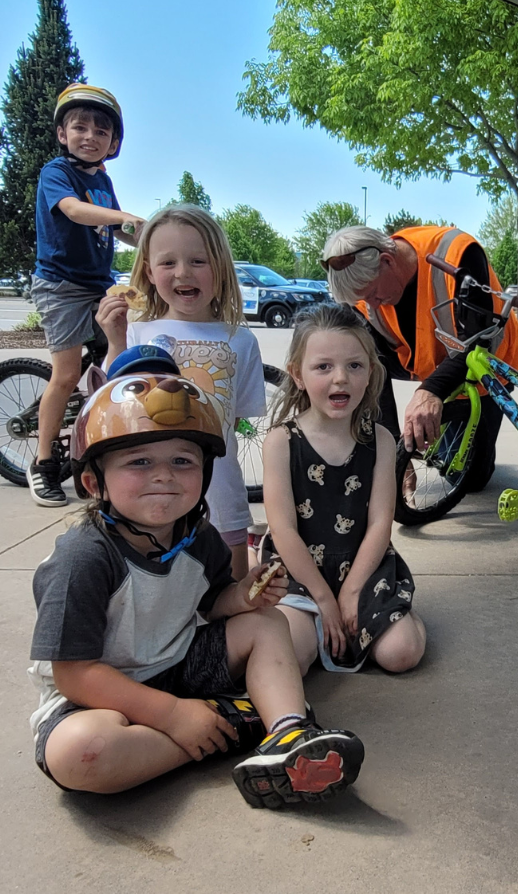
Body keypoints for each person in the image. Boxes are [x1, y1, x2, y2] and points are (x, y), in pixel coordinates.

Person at [28, 364, 365, 806]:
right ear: (93, 483)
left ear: (203, 473)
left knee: (266, 622)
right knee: (81, 754)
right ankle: (233, 725)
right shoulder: (83, 558)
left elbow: (210, 604)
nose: (164, 475)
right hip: (97, 697)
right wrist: (171, 715)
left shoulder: (197, 536)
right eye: (139, 461)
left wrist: (242, 596)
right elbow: (74, 673)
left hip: (180, 665)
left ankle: (287, 731)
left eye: (182, 461)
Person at [97, 205, 265, 580]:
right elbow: (109, 412)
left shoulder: (240, 340)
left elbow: (232, 421)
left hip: (221, 498)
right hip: (148, 502)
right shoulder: (136, 332)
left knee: (230, 594)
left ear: (220, 268)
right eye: (168, 262)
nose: (183, 273)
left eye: (198, 261)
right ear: (148, 273)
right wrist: (114, 340)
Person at [259, 304, 426, 675]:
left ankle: (399, 610)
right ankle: (314, 626)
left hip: (364, 567)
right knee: (291, 656)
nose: (340, 379)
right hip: (300, 573)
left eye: (354, 365)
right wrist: (323, 599)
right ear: (297, 375)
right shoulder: (281, 442)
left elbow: (381, 523)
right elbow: (283, 530)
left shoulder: (381, 440)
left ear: (370, 373)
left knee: (402, 654)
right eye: (323, 367)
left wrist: (351, 593)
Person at [321, 224, 518, 491]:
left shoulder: (460, 254)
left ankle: (454, 437)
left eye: (372, 294)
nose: (372, 305)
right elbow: (372, 362)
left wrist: (430, 391)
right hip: (424, 361)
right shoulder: (367, 288)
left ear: (387, 261)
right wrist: (393, 448)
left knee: (467, 479)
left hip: (485, 366)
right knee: (354, 361)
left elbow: (479, 344)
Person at [27, 84, 145, 507]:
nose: (90, 136)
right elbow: (76, 212)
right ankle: (43, 465)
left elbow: (117, 230)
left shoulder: (104, 181)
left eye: (101, 130)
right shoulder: (57, 173)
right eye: (80, 127)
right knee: (65, 372)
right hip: (61, 285)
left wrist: (154, 243)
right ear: (62, 133)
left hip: (97, 283)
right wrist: (129, 218)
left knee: (118, 354)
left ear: (113, 142)